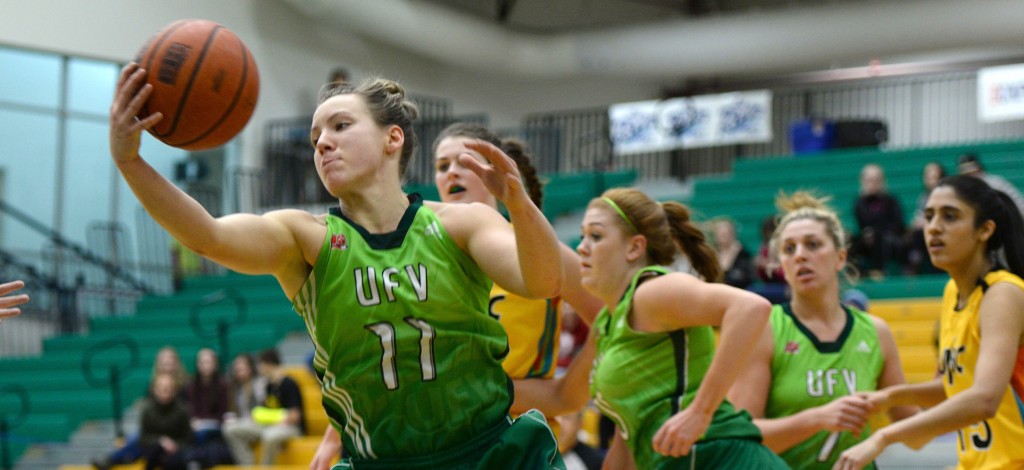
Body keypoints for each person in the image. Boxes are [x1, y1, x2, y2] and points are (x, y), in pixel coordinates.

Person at [110, 66, 565, 468]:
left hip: (488, 454)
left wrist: (520, 207)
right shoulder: (305, 238)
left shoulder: (461, 224)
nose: (323, 142)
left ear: (393, 138)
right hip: (381, 462)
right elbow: (207, 236)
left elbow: (542, 281)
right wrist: (130, 162)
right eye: (315, 138)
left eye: (341, 126)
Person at [308, 122, 604, 469]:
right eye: (442, 165)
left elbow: (610, 318)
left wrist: (564, 393)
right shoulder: (410, 252)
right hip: (429, 441)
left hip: (512, 441)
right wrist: (332, 438)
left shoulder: (536, 253)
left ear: (495, 167)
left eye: (464, 162)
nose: (452, 173)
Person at [571, 187, 787, 468]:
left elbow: (751, 308)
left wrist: (701, 411)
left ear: (635, 247)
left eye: (595, 236)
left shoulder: (652, 291)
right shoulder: (609, 322)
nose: (581, 247)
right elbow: (628, 438)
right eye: (581, 235)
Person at [834, 175, 1024, 470]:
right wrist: (888, 398)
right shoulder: (953, 292)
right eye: (929, 216)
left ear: (985, 230)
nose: (933, 227)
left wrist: (884, 436)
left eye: (950, 216)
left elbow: (984, 398)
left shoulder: (1002, 294)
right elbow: (956, 387)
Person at [727, 191, 916, 469]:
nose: (801, 255)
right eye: (789, 249)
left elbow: (913, 428)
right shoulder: (764, 330)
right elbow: (739, 441)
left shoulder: (875, 332)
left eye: (813, 244)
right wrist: (815, 419)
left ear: (840, 257)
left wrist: (953, 390)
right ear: (781, 265)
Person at [222, 348, 304, 465]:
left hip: (290, 427)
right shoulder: (269, 386)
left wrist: (276, 422)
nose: (259, 368)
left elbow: (295, 416)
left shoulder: (289, 383)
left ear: (269, 365)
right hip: (269, 424)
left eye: (261, 364)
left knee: (269, 435)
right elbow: (266, 411)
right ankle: (248, 466)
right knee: (230, 430)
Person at [95, 372, 193, 470]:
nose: (165, 391)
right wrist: (160, 442)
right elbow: (144, 437)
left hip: (175, 451)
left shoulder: (182, 410)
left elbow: (188, 437)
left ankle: (111, 460)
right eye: (162, 388)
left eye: (168, 388)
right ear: (155, 390)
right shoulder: (148, 409)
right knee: (144, 445)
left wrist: (174, 445)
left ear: (174, 390)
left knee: (175, 460)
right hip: (152, 450)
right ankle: (112, 460)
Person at [851, 163, 906, 278]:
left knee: (880, 237)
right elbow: (862, 223)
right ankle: (857, 273)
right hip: (867, 239)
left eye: (876, 180)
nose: (872, 184)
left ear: (882, 181)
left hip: (888, 238)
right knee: (849, 240)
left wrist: (878, 231)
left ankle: (880, 271)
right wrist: (867, 233)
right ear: (863, 181)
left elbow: (899, 224)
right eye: (869, 180)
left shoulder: (891, 200)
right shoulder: (859, 202)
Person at [905, 162, 946, 275]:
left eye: (934, 177)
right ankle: (914, 262)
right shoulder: (923, 198)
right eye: (928, 177)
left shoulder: (948, 196)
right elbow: (919, 216)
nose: (931, 181)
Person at [956, 152, 1024, 219]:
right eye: (967, 174)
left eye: (973, 172)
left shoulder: (996, 183)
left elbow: (1019, 202)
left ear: (980, 169)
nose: (971, 176)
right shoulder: (961, 190)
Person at [184, 348, 229, 444]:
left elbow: (224, 410)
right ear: (197, 364)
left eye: (208, 362)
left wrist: (211, 420)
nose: (205, 366)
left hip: (217, 425)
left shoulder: (223, 385)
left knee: (204, 435)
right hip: (197, 425)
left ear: (215, 364)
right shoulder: (191, 385)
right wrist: (193, 420)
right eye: (202, 362)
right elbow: (190, 409)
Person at [712, 217, 753, 288]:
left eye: (726, 233)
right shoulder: (712, 252)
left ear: (733, 234)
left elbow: (744, 278)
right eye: (720, 234)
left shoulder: (742, 253)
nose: (723, 236)